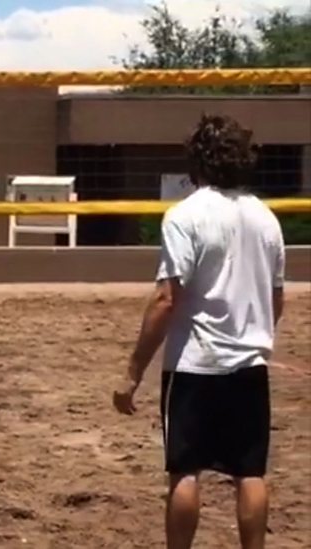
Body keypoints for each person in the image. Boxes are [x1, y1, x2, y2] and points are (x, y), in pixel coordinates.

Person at [112, 114, 286, 549]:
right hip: (248, 364)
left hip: (195, 364)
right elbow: (276, 298)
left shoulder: (184, 215)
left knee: (186, 472)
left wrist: (133, 371)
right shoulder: (266, 218)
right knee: (250, 473)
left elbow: (166, 299)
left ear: (197, 161)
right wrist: (252, 334)